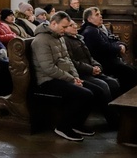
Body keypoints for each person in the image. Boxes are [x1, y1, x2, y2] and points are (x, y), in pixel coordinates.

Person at [31, 12, 95, 141]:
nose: (65, 30)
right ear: (54, 23)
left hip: (62, 77)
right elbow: (48, 68)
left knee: (95, 91)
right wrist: (71, 79)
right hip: (47, 81)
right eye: (64, 27)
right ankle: (63, 127)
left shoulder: (59, 37)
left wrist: (76, 77)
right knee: (84, 94)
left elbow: (68, 60)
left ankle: (76, 124)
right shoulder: (41, 40)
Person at [63, 21, 120, 128]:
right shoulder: (66, 41)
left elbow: (90, 57)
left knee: (114, 82)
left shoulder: (79, 38)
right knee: (103, 85)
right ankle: (113, 120)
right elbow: (72, 62)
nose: (75, 26)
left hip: (91, 70)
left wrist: (97, 66)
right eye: (71, 25)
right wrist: (91, 69)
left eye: (75, 24)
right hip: (81, 73)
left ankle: (119, 113)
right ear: (64, 29)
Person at [79, 7, 137, 93]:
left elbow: (113, 40)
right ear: (89, 19)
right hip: (103, 63)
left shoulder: (98, 29)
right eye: (97, 14)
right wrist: (119, 48)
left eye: (100, 14)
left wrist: (122, 44)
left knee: (134, 70)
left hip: (109, 59)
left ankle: (127, 96)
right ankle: (125, 99)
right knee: (130, 72)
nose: (100, 16)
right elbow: (105, 47)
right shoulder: (91, 31)